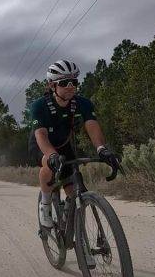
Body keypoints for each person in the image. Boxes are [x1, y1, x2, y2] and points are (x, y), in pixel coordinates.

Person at [29, 60, 120, 228]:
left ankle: (71, 221)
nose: (71, 86)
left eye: (74, 82)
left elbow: (92, 126)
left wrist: (102, 150)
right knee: (48, 165)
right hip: (42, 145)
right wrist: (52, 156)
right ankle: (46, 205)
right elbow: (41, 135)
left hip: (64, 146)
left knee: (74, 189)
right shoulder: (39, 106)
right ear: (51, 84)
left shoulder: (82, 103)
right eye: (64, 82)